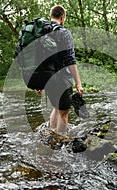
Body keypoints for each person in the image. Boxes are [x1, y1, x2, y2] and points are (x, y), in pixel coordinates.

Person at [36, 5, 83, 135]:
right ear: (62, 17)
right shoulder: (64, 32)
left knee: (56, 108)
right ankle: (59, 141)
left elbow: (38, 59)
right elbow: (70, 60)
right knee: (63, 113)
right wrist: (78, 82)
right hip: (63, 79)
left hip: (47, 79)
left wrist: (39, 82)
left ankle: (51, 137)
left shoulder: (42, 33)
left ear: (51, 16)